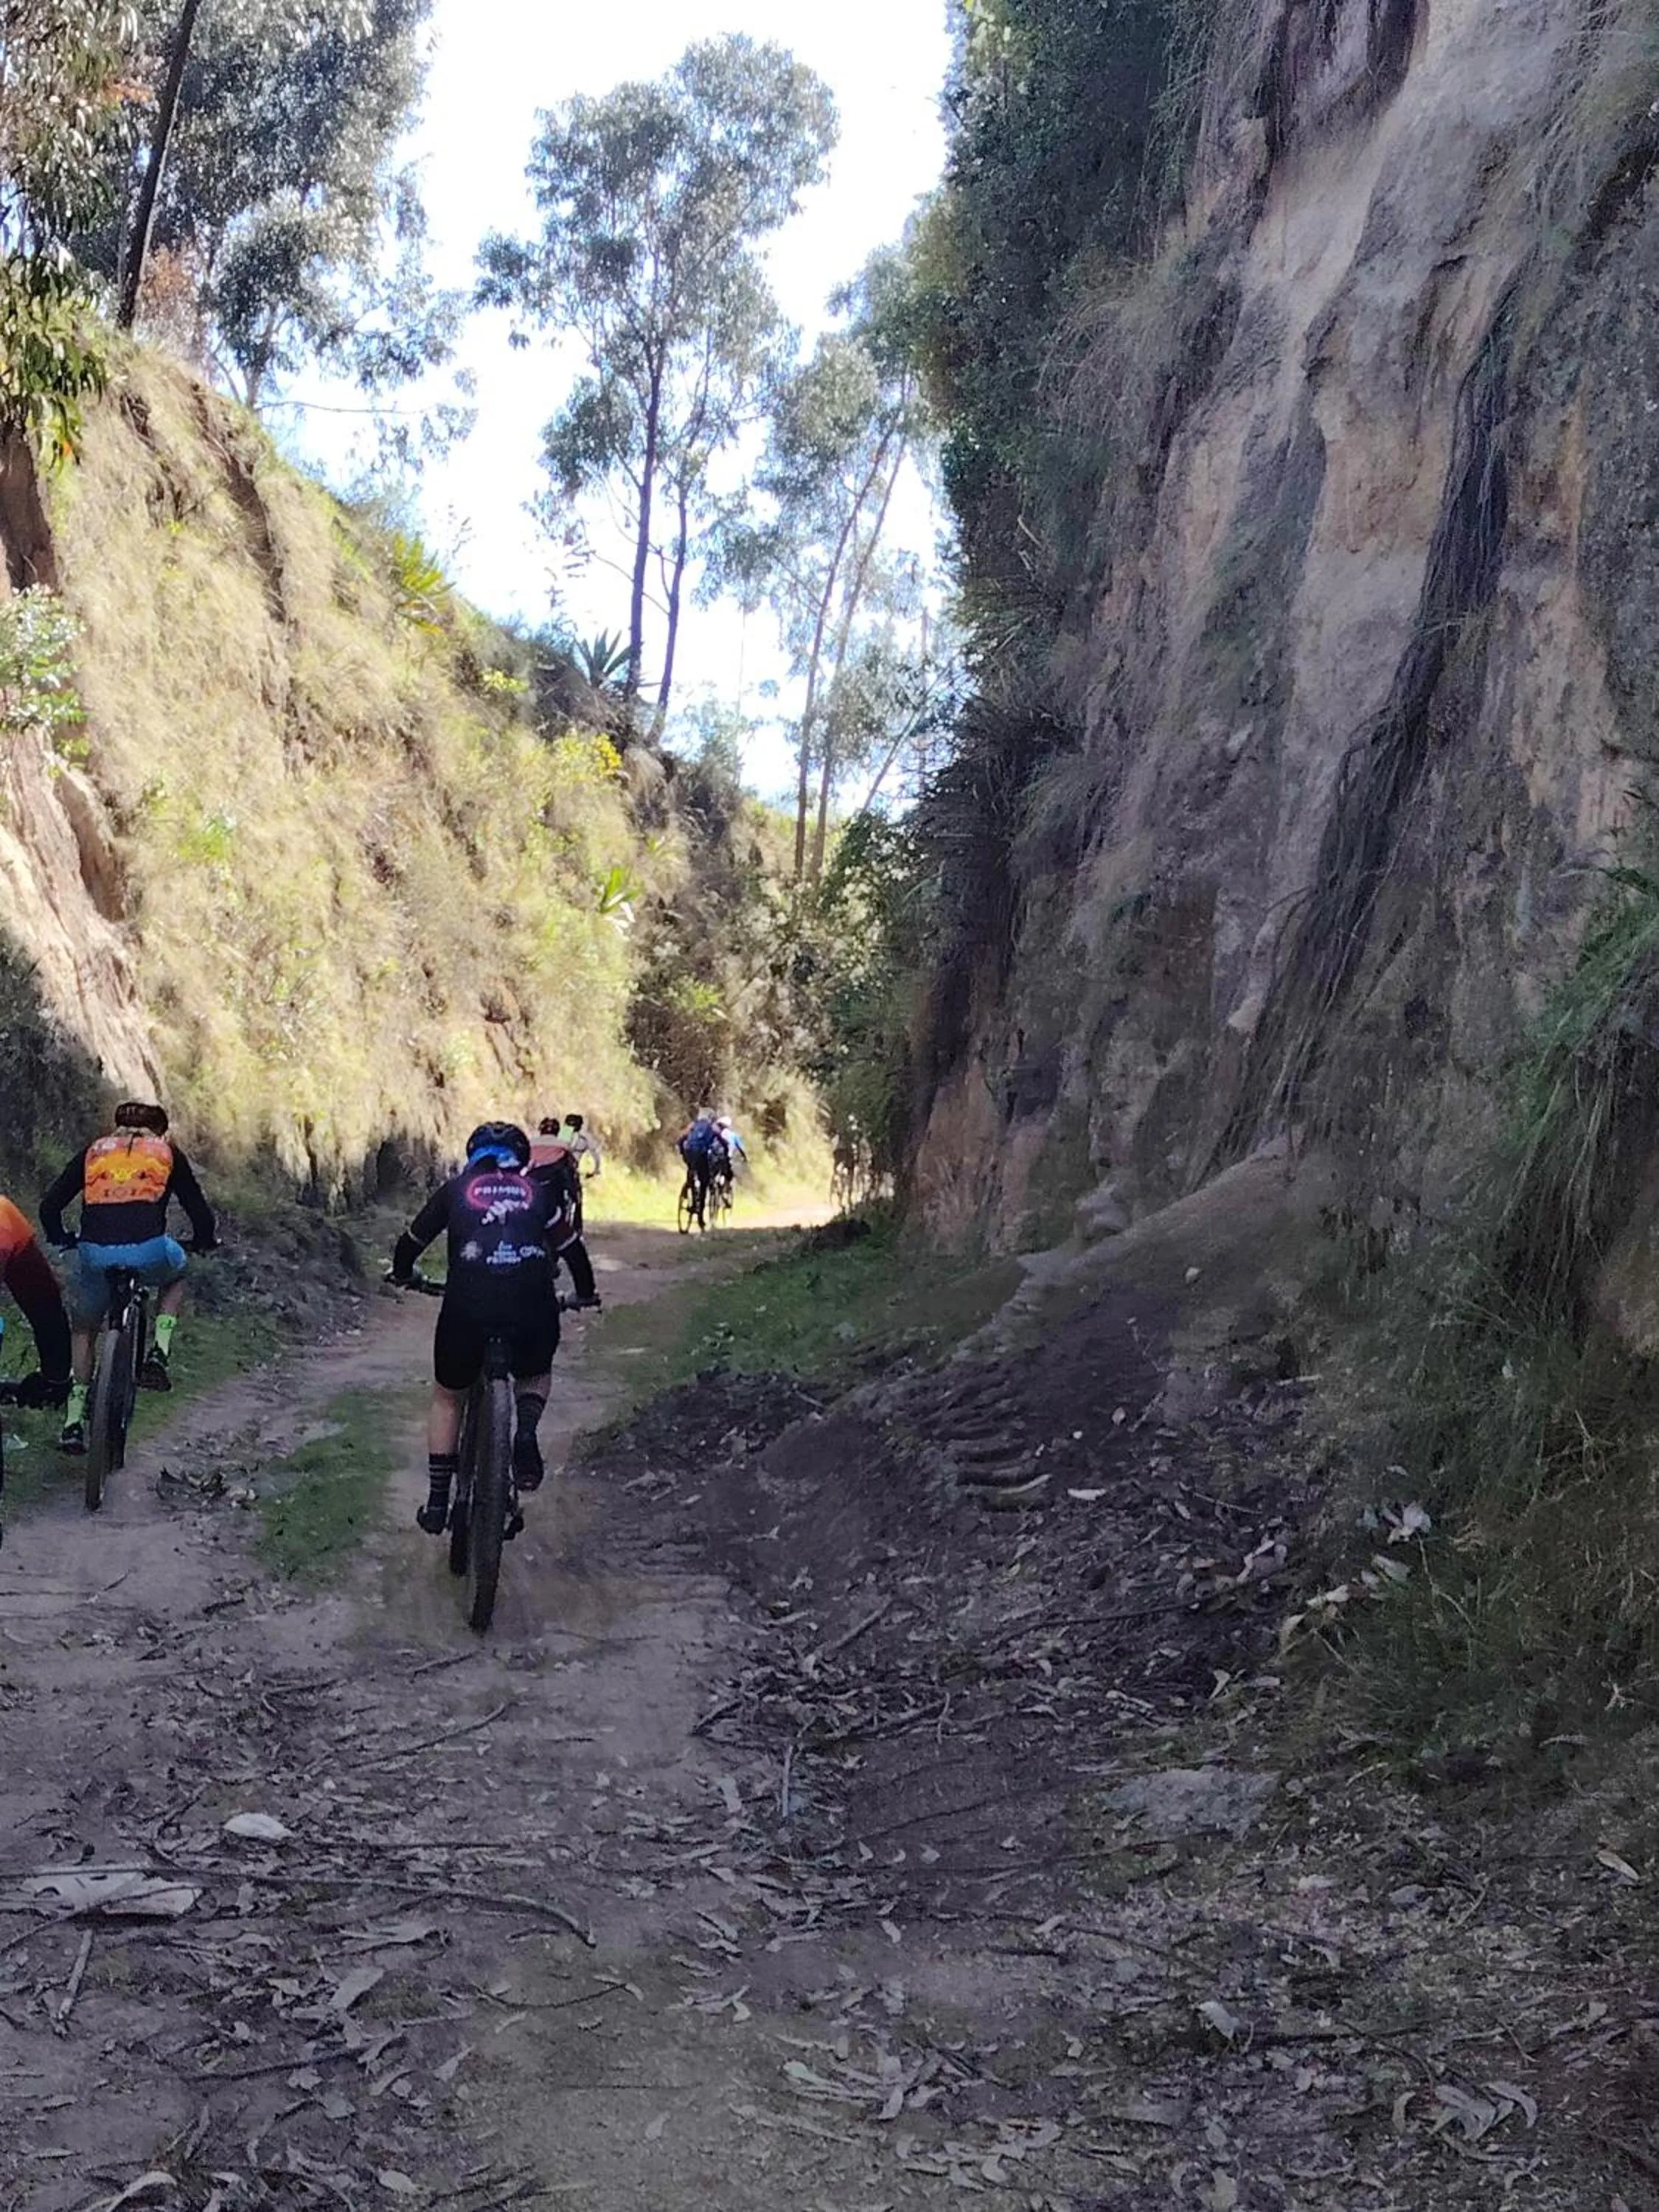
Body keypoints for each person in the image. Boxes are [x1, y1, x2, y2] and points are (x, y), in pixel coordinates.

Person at [392, 1120, 571, 1534]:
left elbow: (411, 1242)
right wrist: (586, 1291)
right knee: (535, 1372)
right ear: (522, 1158)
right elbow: (571, 1249)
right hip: (533, 1307)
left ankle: (438, 1502)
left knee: (448, 1398)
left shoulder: (455, 1190)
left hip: (465, 1307)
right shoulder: (540, 1193)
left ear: (472, 1154)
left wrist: (404, 1274)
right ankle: (524, 1431)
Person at [41, 1102, 218, 1453]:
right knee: (177, 1273)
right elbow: (198, 1209)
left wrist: (61, 1237)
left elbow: (50, 1207)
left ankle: (73, 1421)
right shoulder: (166, 1153)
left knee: (84, 1329)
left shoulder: (95, 1151)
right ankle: (159, 1354)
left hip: (94, 1253)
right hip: (149, 1251)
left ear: (115, 1127)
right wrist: (203, 1240)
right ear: (161, 1131)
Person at [0, 1195, 72, 1408]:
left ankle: (54, 1380)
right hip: (10, 1229)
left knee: (46, 1306)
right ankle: (55, 1380)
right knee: (47, 1308)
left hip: (10, 1233)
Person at [528, 1117, 601, 1308]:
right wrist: (576, 1194)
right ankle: (574, 1234)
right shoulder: (564, 1145)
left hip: (529, 1190)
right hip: (553, 1193)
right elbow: (571, 1171)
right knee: (567, 1229)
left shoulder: (529, 1143)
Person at [678, 1109, 727, 1223]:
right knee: (704, 1182)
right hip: (702, 1154)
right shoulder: (712, 1126)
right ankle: (700, 1214)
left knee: (691, 1172)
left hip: (689, 1153)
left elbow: (681, 1139)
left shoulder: (693, 1124)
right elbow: (722, 1141)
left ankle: (689, 1192)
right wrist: (726, 1148)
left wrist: (682, 1152)